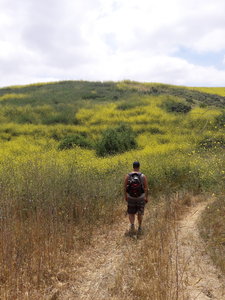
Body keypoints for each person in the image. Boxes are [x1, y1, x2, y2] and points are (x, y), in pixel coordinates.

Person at [124, 161, 148, 234]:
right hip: (140, 197)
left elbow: (125, 188)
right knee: (140, 213)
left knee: (131, 212)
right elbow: (146, 188)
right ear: (139, 167)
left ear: (133, 166)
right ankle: (140, 227)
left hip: (131, 197)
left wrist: (126, 196)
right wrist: (146, 197)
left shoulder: (128, 176)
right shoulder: (143, 176)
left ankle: (132, 225)